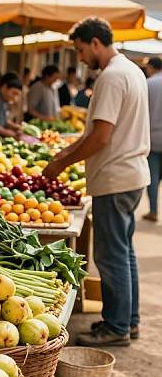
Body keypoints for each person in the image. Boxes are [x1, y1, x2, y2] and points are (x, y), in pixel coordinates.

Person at [43, 18, 150, 347]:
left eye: (79, 50)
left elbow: (101, 137)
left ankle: (116, 326)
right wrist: (65, 152)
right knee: (124, 252)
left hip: (114, 178)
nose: (79, 58)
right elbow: (95, 134)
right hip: (131, 175)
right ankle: (127, 321)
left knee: (110, 255)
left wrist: (61, 162)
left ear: (94, 43)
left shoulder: (111, 77)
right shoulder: (131, 70)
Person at [143, 56, 162, 221]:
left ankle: (153, 211)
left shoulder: (148, 84)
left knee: (153, 177)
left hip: (153, 137)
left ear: (151, 67)